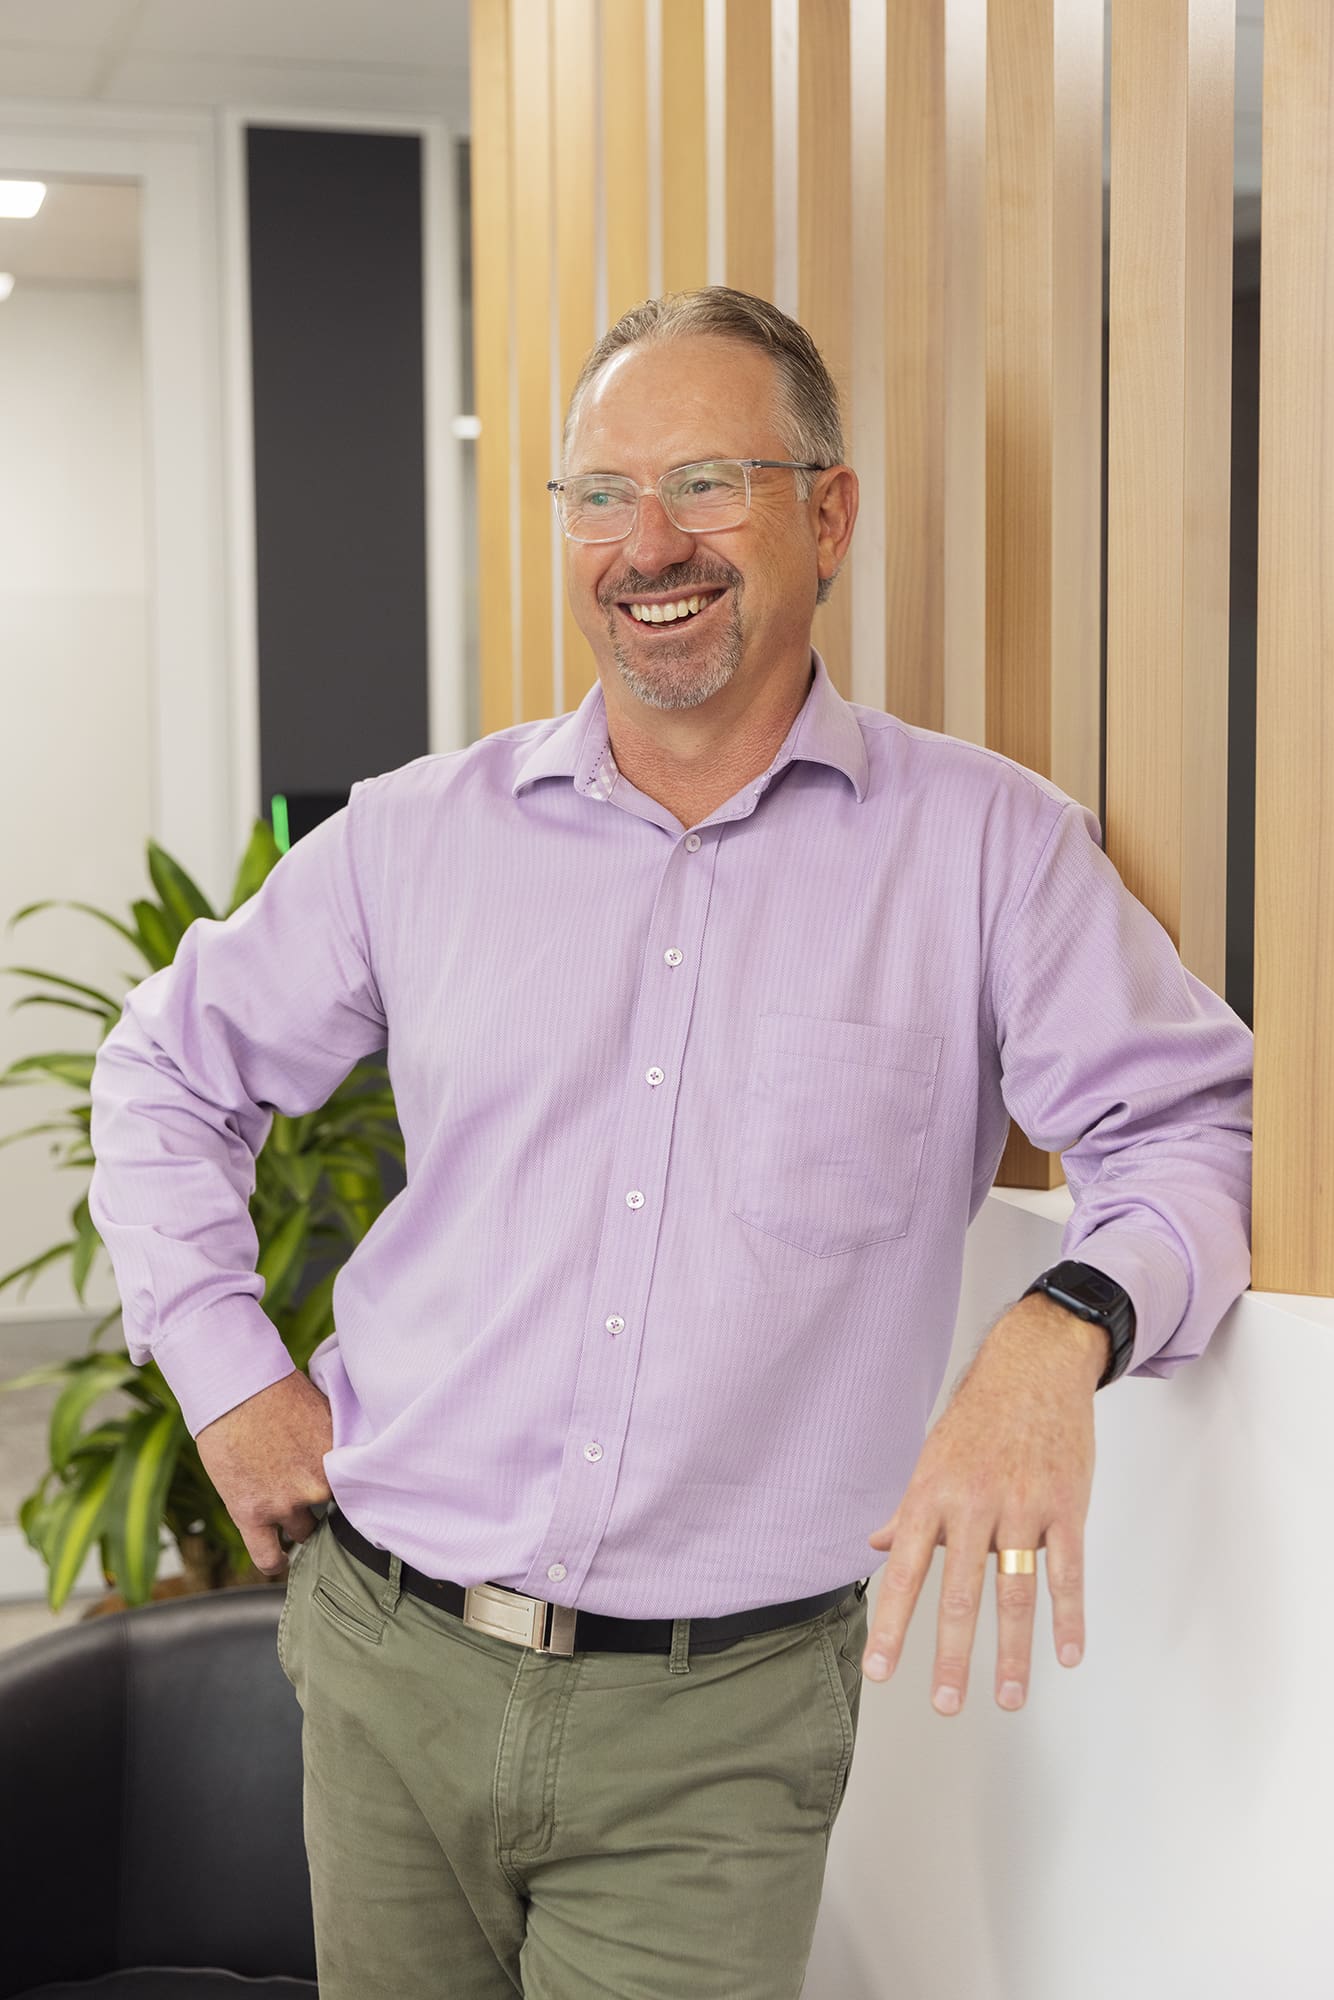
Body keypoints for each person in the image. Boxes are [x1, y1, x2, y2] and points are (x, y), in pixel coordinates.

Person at [87, 286, 1252, 2000]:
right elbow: (163, 1070)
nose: (648, 546)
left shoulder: (988, 851)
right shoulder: (414, 840)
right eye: (600, 495)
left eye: (708, 482)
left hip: (720, 1731)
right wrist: (226, 1371)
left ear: (826, 516)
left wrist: (1055, 1329)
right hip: (388, 1659)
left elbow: (1194, 1131)